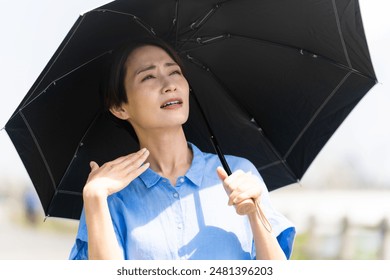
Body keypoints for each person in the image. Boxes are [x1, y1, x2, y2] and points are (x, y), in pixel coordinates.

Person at [69, 38, 295, 260]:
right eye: (148, 76)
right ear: (119, 107)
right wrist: (94, 199)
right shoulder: (110, 197)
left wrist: (255, 215)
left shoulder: (238, 173)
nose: (169, 85)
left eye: (175, 72)